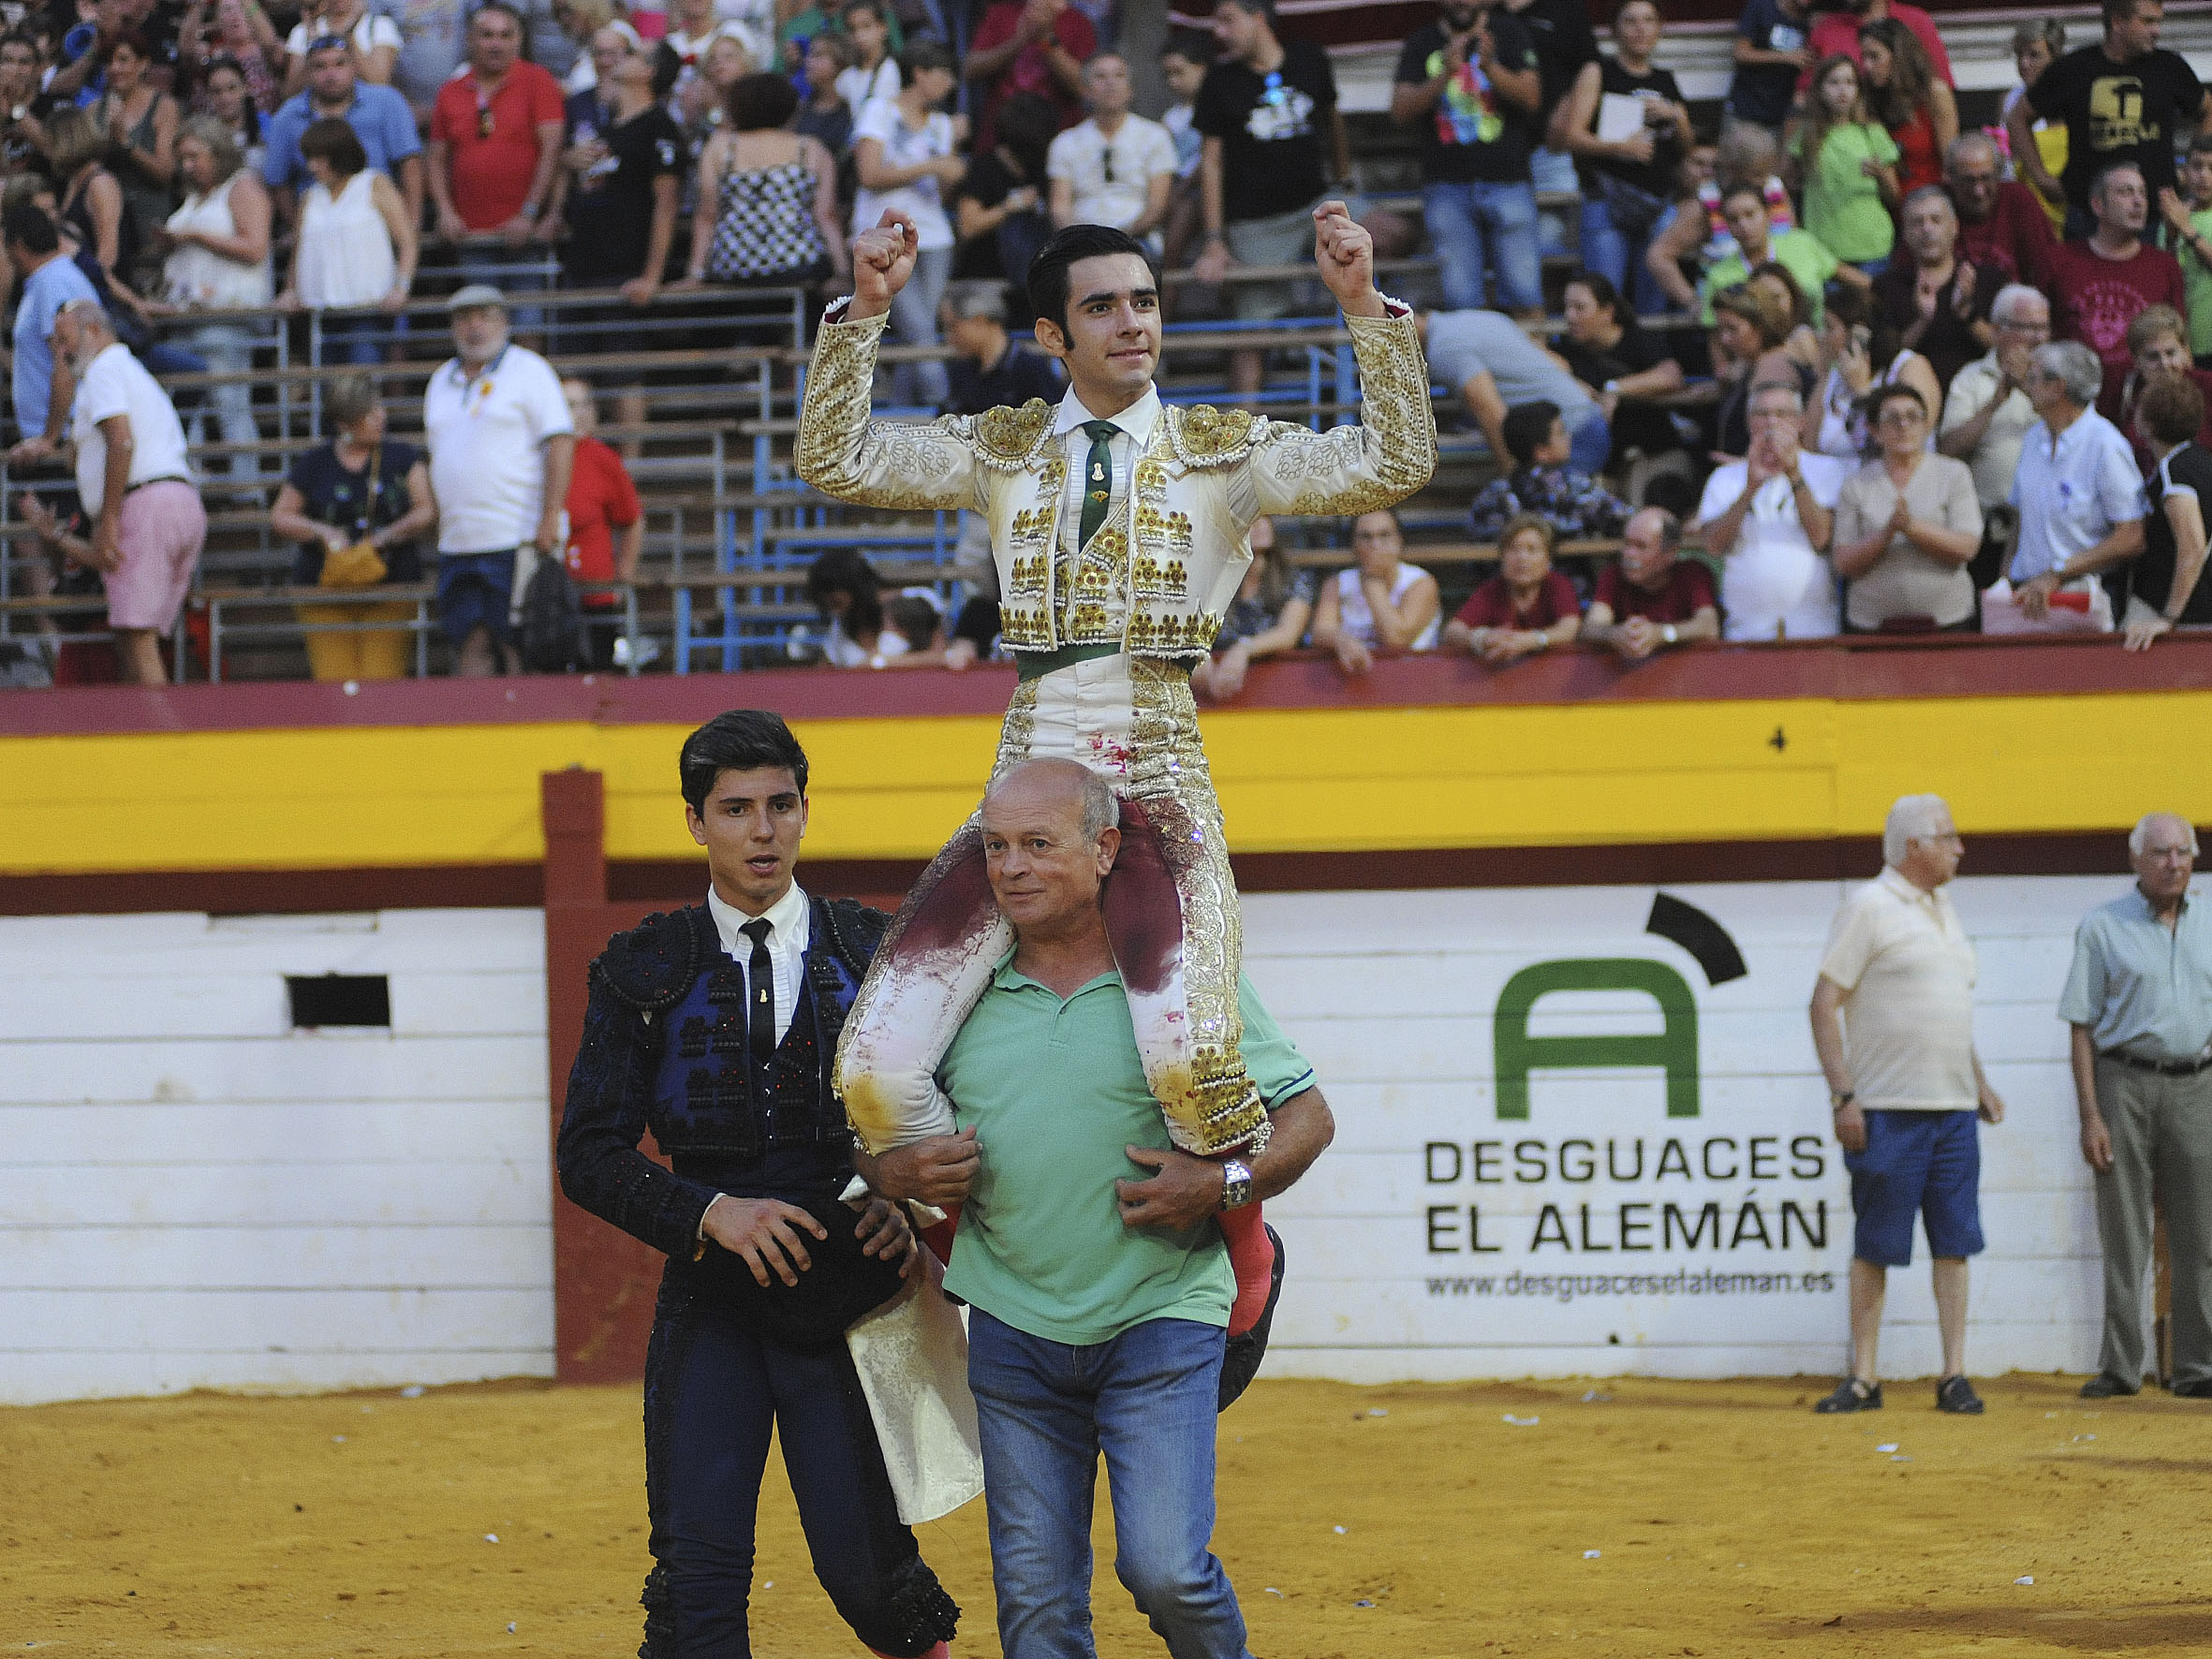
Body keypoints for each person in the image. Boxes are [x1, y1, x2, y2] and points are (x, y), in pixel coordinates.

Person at [796, 210, 1432, 1342]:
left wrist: (1360, 310)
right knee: (877, 1071)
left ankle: (1236, 1260)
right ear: (1052, 333)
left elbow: (1396, 462)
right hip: (1030, 772)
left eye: (1143, 300)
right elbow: (835, 459)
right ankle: (995, 1259)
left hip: (1158, 767)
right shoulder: (1001, 448)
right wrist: (868, 312)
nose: (1132, 321)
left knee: (1190, 1058)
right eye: (1101, 306)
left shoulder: (1222, 452)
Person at [860, 755, 1332, 1659]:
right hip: (1013, 1326)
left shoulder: (1178, 978)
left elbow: (1308, 1118)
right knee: (1037, 1609)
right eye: (997, 847)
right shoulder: (946, 998)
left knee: (1166, 1571)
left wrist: (1221, 1185)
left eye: (1039, 844)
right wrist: (890, 1173)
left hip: (1161, 1314)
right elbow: (869, 1140)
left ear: (1106, 849)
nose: (1013, 868)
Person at [554, 710, 964, 1659]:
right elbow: (589, 1151)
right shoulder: (643, 968)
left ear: (805, 810)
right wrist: (709, 1212)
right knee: (697, 1580)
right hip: (713, 1299)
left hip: (851, 1293)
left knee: (870, 1576)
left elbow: (956, 1109)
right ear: (696, 822)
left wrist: (910, 1206)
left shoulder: (876, 951)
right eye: (736, 809)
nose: (763, 829)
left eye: (781, 804)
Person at [1809, 793, 2003, 1417]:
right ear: (1914, 846)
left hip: (1953, 1109)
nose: (1959, 848)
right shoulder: (1868, 906)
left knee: (1955, 1242)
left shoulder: (1944, 908)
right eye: (1948, 837)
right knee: (1876, 1244)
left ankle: (1954, 1374)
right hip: (1887, 1109)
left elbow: (1947, 1010)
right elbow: (1823, 1003)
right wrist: (1844, 1095)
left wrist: (1979, 1080)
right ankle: (1864, 1377)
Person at [2060, 811, 2212, 1398]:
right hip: (2123, 1085)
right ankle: (2122, 1369)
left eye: (2183, 852)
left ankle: (2197, 1368)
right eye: (2160, 853)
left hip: (2197, 1086)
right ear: (2135, 860)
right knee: (2124, 1232)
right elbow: (2081, 1026)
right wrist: (2090, 1115)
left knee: (2201, 1233)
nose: (2174, 863)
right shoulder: (2102, 927)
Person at [37, 301, 205, 685]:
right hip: (174, 501)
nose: (60, 352)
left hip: (146, 504)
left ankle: (163, 726)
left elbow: (121, 441)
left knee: (136, 638)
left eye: (64, 340)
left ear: (94, 330)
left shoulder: (103, 369)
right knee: (138, 640)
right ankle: (154, 720)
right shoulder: (123, 370)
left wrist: (109, 519)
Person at [1195, 0, 1351, 393]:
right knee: (1252, 334)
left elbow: (1333, 121)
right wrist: (1214, 240)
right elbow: (1210, 164)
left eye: (1227, 21)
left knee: (1392, 233)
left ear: (1258, 18)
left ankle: (1353, 325)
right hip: (1256, 222)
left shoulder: (1309, 58)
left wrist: (1345, 179)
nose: (1219, 32)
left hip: (1319, 203)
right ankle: (1239, 427)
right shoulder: (1218, 81)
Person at [421, 284, 576, 676]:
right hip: (458, 539)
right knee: (467, 638)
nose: (474, 327)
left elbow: (560, 441)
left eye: (484, 317)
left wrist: (550, 516)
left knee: (518, 642)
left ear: (505, 322)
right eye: (464, 318)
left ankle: (524, 716)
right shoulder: (440, 379)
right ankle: (472, 717)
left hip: (516, 534)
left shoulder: (530, 369)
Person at [269, 373, 434, 682]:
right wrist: (322, 532)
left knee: (380, 680)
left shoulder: (403, 457)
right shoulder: (316, 462)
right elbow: (281, 516)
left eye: (379, 408)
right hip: (324, 587)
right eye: (369, 414)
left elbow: (425, 510)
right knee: (333, 681)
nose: (380, 417)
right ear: (344, 424)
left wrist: (386, 537)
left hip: (391, 585)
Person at [1389, 0, 1541, 320]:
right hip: (1446, 187)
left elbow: (1532, 98)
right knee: (1461, 300)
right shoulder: (1422, 42)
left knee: (1524, 293)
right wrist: (1446, 72)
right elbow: (1400, 112)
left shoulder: (1510, 32)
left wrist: (1490, 67)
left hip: (1508, 180)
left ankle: (1531, 354)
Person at [2011, 0, 2205, 242]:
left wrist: (2195, 169)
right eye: (2147, 21)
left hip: (2155, 217)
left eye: (2158, 22)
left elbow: (2207, 109)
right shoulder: (2074, 68)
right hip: (2088, 217)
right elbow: (2018, 118)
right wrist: (2042, 179)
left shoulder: (2169, 67)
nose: (2156, 31)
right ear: (2118, 22)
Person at [160, 116, 271, 493]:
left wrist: (195, 235)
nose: (187, 166)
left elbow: (256, 247)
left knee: (229, 401)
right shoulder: (195, 196)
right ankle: (187, 486)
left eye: (195, 156)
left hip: (227, 314)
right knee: (182, 403)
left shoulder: (242, 187)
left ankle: (247, 489)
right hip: (186, 314)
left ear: (218, 151)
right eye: (182, 158)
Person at [1557, 0, 1688, 309]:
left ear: (1659, 28)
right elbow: (1571, 136)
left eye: (1648, 21)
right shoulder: (1599, 71)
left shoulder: (1665, 79)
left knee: (1654, 304)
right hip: (1607, 200)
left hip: (1657, 202)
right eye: (1630, 21)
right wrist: (1620, 147)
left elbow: (1686, 148)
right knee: (1604, 298)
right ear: (1615, 30)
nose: (1640, 29)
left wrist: (1676, 116)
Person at [851, 41, 960, 410]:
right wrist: (931, 166)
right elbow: (868, 174)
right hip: (887, 235)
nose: (949, 84)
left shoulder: (942, 124)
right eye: (944, 74)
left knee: (921, 329)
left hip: (936, 236)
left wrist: (951, 174)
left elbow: (943, 190)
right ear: (920, 73)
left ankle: (904, 416)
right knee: (921, 330)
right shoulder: (879, 111)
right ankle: (944, 405)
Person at [1693, 377, 1847, 639]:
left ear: (1801, 422)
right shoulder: (1725, 477)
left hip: (1814, 630)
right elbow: (1713, 546)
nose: (1771, 422)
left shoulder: (1828, 469)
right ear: (1749, 421)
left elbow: (1822, 538)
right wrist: (1750, 488)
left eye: (1782, 414)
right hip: (1746, 632)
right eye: (1761, 414)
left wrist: (1794, 473)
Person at [2005, 339, 2144, 624]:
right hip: (2026, 592)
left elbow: (2131, 537)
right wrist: (2005, 578)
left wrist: (2059, 572)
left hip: (2082, 595)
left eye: (2032, 378)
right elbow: (2021, 519)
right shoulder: (2033, 438)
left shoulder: (2105, 445)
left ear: (2058, 387)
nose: (2026, 386)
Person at [426, 3, 566, 278]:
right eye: (487, 35)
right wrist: (445, 212)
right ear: (470, 39)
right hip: (470, 233)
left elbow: (552, 151)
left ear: (519, 39)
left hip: (527, 231)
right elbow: (436, 159)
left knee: (528, 306)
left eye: (505, 35)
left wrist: (529, 213)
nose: (496, 44)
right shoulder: (450, 91)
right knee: (479, 304)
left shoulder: (538, 81)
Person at [1831, 382, 1982, 631]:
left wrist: (1912, 528)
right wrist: (1886, 534)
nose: (1903, 425)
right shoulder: (1856, 484)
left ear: (1925, 425)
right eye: (1892, 419)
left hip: (1948, 621)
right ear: (1874, 430)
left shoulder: (1954, 474)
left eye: (1913, 417)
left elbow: (1967, 547)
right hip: (1871, 625)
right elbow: (1843, 562)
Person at [2047, 161, 2186, 418]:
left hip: (2143, 412)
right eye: (2125, 192)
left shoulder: (2164, 266)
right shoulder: (2060, 261)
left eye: (2142, 193)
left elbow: (2181, 347)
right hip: (2072, 407)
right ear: (2098, 205)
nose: (2138, 201)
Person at [275, 117, 415, 366]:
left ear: (339, 156)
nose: (311, 166)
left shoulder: (374, 184)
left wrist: (401, 287)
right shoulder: (309, 197)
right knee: (325, 384)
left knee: (359, 381)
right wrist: (289, 290)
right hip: (318, 313)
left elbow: (407, 242)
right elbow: (299, 253)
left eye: (319, 159)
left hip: (368, 311)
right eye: (309, 158)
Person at [686, 66, 836, 295]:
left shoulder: (720, 147)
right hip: (800, 261)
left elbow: (707, 214)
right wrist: (841, 270)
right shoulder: (810, 148)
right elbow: (826, 215)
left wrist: (695, 273)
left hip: (734, 263)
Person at [260, 34, 422, 235]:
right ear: (308, 72)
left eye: (339, 64)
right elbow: (278, 182)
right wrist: (300, 233)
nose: (331, 74)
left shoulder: (387, 102)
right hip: (318, 226)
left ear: (354, 66)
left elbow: (410, 164)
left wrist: (410, 226)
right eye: (320, 66)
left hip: (381, 222)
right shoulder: (288, 116)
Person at [1421, 305, 1610, 476]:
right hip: (1588, 419)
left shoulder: (1443, 347)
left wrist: (1512, 480)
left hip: (1567, 436)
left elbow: (1491, 414)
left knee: (1544, 501)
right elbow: (1559, 363)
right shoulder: (1472, 318)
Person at [1550, 270, 1686, 470]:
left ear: (1607, 311)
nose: (1569, 316)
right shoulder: (1566, 348)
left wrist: (1614, 389)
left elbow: (1671, 376)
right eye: (1567, 307)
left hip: (1651, 454)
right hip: (1596, 462)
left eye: (1580, 308)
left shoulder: (1638, 340)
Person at [1874, 186, 2000, 393]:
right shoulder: (1887, 286)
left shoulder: (1988, 280)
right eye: (1917, 222)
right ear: (1905, 233)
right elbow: (1885, 360)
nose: (1927, 229)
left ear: (1954, 227)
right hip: (1913, 397)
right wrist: (1922, 321)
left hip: (1979, 395)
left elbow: (2005, 349)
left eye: (1936, 220)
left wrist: (1967, 314)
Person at [1939, 283, 2051, 516]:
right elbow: (1948, 449)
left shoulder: (2061, 377)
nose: (2040, 338)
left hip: (2046, 516)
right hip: (1987, 518)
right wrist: (1994, 404)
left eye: (2044, 327)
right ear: (1998, 330)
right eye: (2029, 328)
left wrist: (2027, 388)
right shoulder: (1971, 378)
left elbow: (2077, 431)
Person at [4, 200, 102, 459]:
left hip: (63, 439)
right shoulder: (45, 280)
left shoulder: (54, 282)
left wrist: (50, 438)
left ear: (18, 246)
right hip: (52, 436)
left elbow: (67, 363)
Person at [1045, 51, 1172, 246]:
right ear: (1086, 90)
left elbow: (1157, 206)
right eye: (1101, 77)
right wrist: (1083, 242)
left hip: (1138, 239)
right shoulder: (1065, 142)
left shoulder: (1155, 136)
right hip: (1081, 242)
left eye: (1119, 76)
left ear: (1130, 89)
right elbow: (1059, 208)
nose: (1111, 83)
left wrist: (1118, 240)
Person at [558, 374, 641, 669]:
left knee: (598, 672)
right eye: (570, 405)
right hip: (551, 592)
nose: (580, 413)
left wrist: (623, 575)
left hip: (596, 591)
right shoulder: (537, 458)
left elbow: (632, 519)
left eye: (586, 405)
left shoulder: (604, 459)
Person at [2123, 374, 2212, 648]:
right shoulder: (2200, 460)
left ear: (2148, 424)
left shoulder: (2175, 472)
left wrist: (2168, 617)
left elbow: (2192, 546)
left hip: (2189, 617)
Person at [1806, 283, 1940, 463]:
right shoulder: (1830, 380)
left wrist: (1862, 391)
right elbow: (1809, 452)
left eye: (1829, 327)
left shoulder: (1908, 366)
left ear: (1858, 333)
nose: (1822, 336)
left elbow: (1913, 435)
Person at [1788, 55, 1896, 275]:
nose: (1842, 90)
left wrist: (1880, 175)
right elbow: (1787, 185)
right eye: (1834, 82)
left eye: (1850, 82)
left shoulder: (1872, 132)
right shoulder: (1806, 134)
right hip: (1823, 248)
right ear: (1820, 90)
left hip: (1872, 245)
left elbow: (1894, 196)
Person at [1699, 181, 1854, 331]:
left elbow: (1852, 278)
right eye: (1734, 220)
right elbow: (1715, 335)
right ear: (1726, 225)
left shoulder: (1801, 244)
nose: (1743, 226)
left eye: (1750, 214)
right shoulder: (1718, 276)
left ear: (1768, 213)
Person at [1467, 398, 1628, 542]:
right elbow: (1624, 519)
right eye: (1561, 432)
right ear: (1541, 451)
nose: (1568, 436)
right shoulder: (1573, 487)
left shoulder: (1491, 495)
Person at [92, 32, 179, 294]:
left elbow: (165, 173)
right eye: (109, 61)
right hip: (107, 225)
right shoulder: (93, 110)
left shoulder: (164, 107)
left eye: (123, 60)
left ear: (142, 64)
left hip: (149, 220)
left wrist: (126, 143)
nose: (115, 68)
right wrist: (108, 142)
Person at [1188, 516, 1312, 700]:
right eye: (1249, 519)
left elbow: (1288, 633)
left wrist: (1243, 649)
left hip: (1278, 690)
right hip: (1214, 694)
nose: (1259, 525)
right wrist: (1195, 654)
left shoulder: (1294, 580)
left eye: (1264, 517)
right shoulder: (1211, 582)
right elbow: (1187, 631)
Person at [1310, 506, 1441, 674]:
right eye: (1366, 537)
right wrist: (1341, 640)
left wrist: (1373, 580)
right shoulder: (1337, 583)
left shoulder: (1421, 582)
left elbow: (1396, 639)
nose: (1375, 545)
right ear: (1354, 543)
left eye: (1384, 535)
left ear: (1399, 540)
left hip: (1412, 676)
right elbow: (1320, 631)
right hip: (1353, 675)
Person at [804, 547, 978, 669]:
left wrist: (878, 663)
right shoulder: (839, 630)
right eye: (828, 605)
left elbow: (943, 657)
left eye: (837, 603)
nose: (835, 611)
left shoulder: (917, 601)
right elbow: (824, 676)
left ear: (856, 590)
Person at [1580, 505, 1718, 657]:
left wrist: (1662, 634)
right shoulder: (1613, 575)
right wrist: (1615, 634)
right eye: (1627, 543)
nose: (1629, 554)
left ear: (1671, 553)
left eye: (1641, 546)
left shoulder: (1693, 574)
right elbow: (1590, 628)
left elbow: (1708, 626)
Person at [951, 90, 1054, 295]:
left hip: (1035, 278)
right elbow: (967, 226)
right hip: (985, 277)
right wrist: (1010, 206)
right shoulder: (984, 167)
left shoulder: (1043, 168)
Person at [1442, 510, 1579, 665]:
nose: (1522, 558)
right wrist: (1483, 638)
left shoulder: (1558, 585)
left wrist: (1531, 640)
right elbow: (1453, 631)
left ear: (1548, 558)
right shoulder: (1492, 590)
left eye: (1532, 549)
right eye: (1514, 549)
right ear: (1502, 556)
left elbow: (1569, 628)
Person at [964, 0, 1094, 150]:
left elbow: (1083, 87)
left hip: (1058, 141)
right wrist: (1018, 42)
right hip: (1000, 140)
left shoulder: (1078, 22)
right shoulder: (1001, 13)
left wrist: (1045, 38)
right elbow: (970, 69)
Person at [1942, 132, 2053, 293]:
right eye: (1968, 181)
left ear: (1999, 174)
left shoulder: (2018, 199)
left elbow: (2046, 268)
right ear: (1950, 178)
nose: (1978, 191)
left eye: (1986, 178)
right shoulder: (1936, 205)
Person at [1855, 19, 1953, 201]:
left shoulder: (1934, 93)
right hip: (1886, 204)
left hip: (1930, 201)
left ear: (1898, 56)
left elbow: (1950, 164)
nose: (1866, 66)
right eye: (1864, 58)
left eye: (1874, 56)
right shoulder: (1866, 101)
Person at [2117, 305, 2212, 474]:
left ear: (2185, 352)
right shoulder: (2126, 393)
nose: (2164, 364)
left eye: (2171, 353)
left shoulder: (2207, 386)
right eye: (2153, 357)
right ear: (2136, 361)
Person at [942, 279, 1059, 415]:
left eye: (953, 327)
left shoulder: (1029, 369)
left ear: (980, 320)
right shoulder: (961, 371)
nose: (949, 337)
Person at [1799, 0, 1953, 99]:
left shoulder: (1917, 21)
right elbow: (1804, 95)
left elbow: (1942, 85)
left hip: (1910, 124)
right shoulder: (1826, 29)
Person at [2002, 19, 2069, 237]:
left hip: (2063, 205)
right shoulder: (2010, 100)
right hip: (2026, 206)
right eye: (2019, 55)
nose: (2024, 63)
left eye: (2034, 55)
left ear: (2055, 56)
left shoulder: (2070, 98)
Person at [2160, 133, 2212, 366]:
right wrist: (2172, 235)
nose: (2204, 175)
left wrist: (2186, 229)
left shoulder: (2182, 221)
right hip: (2188, 342)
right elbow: (2169, 278)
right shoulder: (2175, 216)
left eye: (2211, 168)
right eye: (2197, 166)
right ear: (2184, 171)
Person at [1726, 0, 1811, 139]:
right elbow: (1741, 53)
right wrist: (1786, 57)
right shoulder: (1761, 7)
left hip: (1782, 113)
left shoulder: (1811, 18)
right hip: (1747, 108)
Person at [279, 0, 398, 95]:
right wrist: (313, 46)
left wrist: (349, 36)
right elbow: (291, 92)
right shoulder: (302, 31)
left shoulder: (379, 26)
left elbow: (379, 83)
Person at [833, 0, 900, 116]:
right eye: (852, 29)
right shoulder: (845, 79)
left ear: (883, 27)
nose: (859, 35)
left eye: (866, 26)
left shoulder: (898, 68)